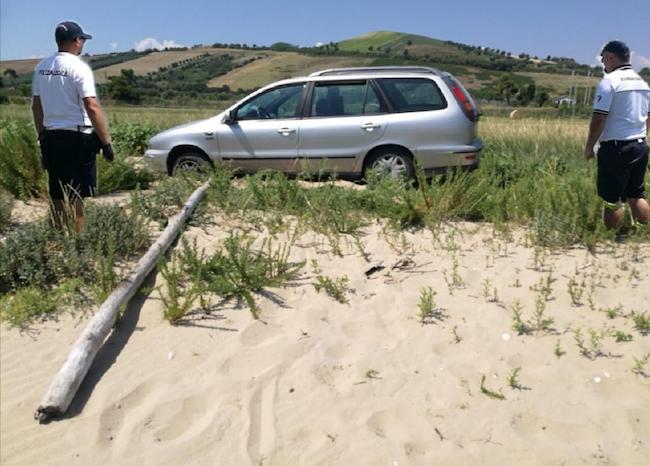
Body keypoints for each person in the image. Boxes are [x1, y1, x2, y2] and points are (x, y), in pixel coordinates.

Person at [31, 21, 114, 233]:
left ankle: (57, 238)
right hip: (77, 137)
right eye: (82, 39)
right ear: (76, 41)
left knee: (57, 192)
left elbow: (37, 106)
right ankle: (78, 241)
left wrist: (42, 136)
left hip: (51, 136)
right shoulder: (79, 67)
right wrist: (106, 143)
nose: (83, 43)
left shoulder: (41, 67)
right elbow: (92, 106)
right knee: (77, 195)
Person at [584, 40, 650, 229]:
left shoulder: (610, 83)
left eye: (604, 59)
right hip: (639, 145)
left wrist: (589, 147)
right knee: (636, 194)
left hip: (616, 148)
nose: (603, 63)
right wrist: (642, 135)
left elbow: (598, 119)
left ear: (611, 56)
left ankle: (615, 236)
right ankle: (646, 231)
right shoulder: (642, 83)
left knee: (612, 198)